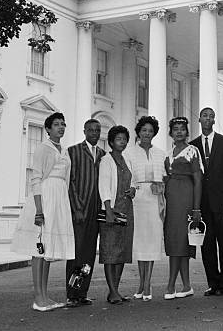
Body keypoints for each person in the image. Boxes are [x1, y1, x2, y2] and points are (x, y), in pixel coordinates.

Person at [11, 112, 74, 311]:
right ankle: (38, 298)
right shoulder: (42, 148)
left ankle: (45, 296)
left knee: (47, 250)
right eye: (56, 124)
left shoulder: (64, 150)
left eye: (63, 124)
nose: (61, 127)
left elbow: (67, 179)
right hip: (45, 199)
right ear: (48, 129)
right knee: (38, 249)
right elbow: (36, 179)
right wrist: (39, 210)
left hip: (59, 199)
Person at [189, 107, 223, 296]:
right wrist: (194, 206)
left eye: (211, 116)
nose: (208, 119)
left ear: (214, 120)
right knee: (207, 245)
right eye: (204, 116)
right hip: (203, 204)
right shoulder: (192, 146)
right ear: (199, 119)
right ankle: (213, 284)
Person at [124, 116, 166, 301]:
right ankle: (141, 283)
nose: (147, 133)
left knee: (152, 241)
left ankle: (148, 284)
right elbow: (128, 176)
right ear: (139, 132)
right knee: (141, 242)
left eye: (150, 131)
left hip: (155, 198)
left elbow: (166, 176)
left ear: (154, 133)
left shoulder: (161, 153)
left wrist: (161, 185)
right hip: (139, 199)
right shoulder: (129, 153)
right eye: (144, 130)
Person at [65, 119, 105, 307]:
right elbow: (71, 182)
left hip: (96, 211)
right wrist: (77, 208)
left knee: (89, 254)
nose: (94, 133)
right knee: (77, 254)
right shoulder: (73, 151)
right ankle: (72, 294)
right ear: (84, 131)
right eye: (91, 130)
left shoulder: (103, 155)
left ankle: (82, 292)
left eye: (97, 130)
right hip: (80, 210)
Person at [163, 117, 203, 300]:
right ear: (170, 132)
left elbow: (198, 180)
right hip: (171, 199)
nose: (179, 131)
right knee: (174, 241)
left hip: (186, 197)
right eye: (175, 129)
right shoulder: (168, 153)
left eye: (182, 129)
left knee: (182, 241)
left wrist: (196, 208)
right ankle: (186, 285)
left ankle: (172, 284)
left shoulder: (193, 151)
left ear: (187, 132)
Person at [98, 125, 136, 304]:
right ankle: (112, 291)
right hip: (112, 210)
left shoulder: (127, 160)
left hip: (127, 209)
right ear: (111, 141)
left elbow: (132, 181)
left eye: (125, 139)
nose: (122, 142)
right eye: (119, 139)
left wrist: (132, 190)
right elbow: (103, 185)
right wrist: (108, 210)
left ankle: (116, 290)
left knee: (122, 251)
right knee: (110, 251)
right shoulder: (107, 160)